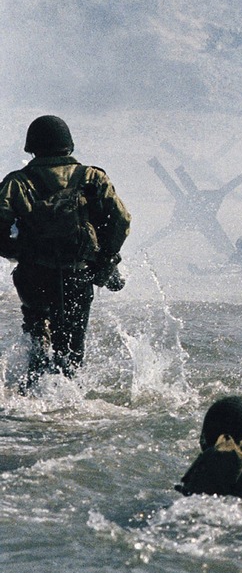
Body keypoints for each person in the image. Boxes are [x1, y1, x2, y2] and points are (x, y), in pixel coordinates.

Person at [0, 116, 131, 389]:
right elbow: (121, 220)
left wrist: (17, 252)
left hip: (33, 276)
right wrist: (105, 259)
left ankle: (33, 395)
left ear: (31, 147)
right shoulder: (92, 178)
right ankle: (68, 402)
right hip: (77, 275)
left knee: (37, 338)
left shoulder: (17, 182)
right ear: (68, 146)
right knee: (72, 350)